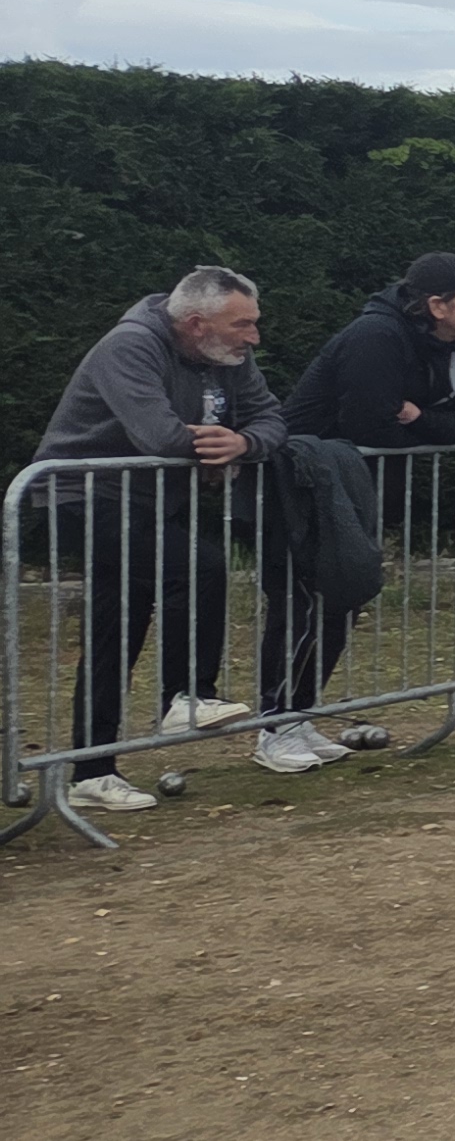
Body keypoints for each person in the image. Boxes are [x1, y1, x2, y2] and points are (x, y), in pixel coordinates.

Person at [26, 269, 284, 814]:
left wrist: (242, 440)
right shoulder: (130, 347)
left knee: (115, 628)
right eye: (244, 324)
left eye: (253, 324)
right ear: (196, 323)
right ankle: (186, 697)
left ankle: (91, 772)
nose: (254, 336)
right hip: (82, 495)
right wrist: (220, 449)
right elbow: (160, 435)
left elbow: (270, 419)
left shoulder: (228, 356)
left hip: (145, 500)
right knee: (200, 567)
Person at [255, 249, 455, 773]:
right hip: (306, 482)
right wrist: (426, 424)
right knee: (304, 603)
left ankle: (300, 715)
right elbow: (371, 426)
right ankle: (273, 724)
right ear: (438, 305)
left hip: (355, 487)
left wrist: (419, 419)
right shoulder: (376, 337)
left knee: (342, 600)